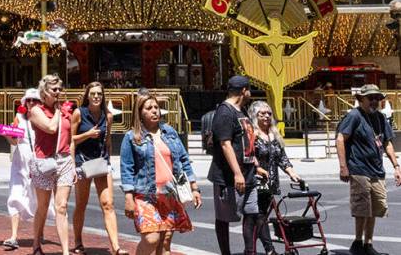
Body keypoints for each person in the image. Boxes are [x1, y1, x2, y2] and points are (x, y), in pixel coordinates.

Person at [121, 91, 200, 255]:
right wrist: (128, 197)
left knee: (164, 244)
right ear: (140, 112)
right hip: (146, 196)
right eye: (149, 108)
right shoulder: (132, 137)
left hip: (169, 195)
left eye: (156, 107)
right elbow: (126, 168)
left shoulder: (169, 132)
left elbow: (184, 160)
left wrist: (194, 187)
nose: (154, 110)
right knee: (151, 239)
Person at [335, 84, 401, 255]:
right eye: (370, 98)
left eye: (377, 98)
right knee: (362, 209)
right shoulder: (354, 116)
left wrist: (396, 166)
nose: (374, 101)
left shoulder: (380, 118)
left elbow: (387, 143)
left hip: (377, 171)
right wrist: (343, 166)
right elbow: (340, 138)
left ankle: (368, 244)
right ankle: (357, 243)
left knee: (375, 208)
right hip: (359, 169)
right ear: (360, 99)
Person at [71, 82, 125, 255]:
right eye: (93, 94)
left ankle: (116, 247)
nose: (96, 97)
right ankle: (78, 242)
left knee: (108, 204)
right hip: (82, 163)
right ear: (87, 95)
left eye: (99, 94)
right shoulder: (79, 113)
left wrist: (110, 161)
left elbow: (107, 141)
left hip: (101, 162)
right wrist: (87, 135)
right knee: (81, 204)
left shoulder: (107, 116)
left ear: (103, 97)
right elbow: (70, 140)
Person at [208, 75, 258, 255]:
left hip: (249, 173)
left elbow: (245, 140)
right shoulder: (224, 112)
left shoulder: (241, 110)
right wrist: (237, 173)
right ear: (244, 91)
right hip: (228, 177)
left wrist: (255, 162)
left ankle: (249, 251)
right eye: (249, 89)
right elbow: (225, 143)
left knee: (252, 213)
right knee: (224, 218)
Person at [1, 88, 52, 251]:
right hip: (20, 164)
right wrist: (6, 133)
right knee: (15, 195)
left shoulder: (44, 118)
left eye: (34, 100)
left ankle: (39, 233)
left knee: (39, 199)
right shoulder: (19, 118)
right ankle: (14, 236)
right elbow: (14, 142)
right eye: (28, 100)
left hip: (38, 162)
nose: (31, 103)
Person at [28, 74, 74, 255]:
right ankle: (36, 243)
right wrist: (57, 110)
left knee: (61, 206)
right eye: (54, 89)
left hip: (63, 160)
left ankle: (65, 251)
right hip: (44, 161)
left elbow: (70, 137)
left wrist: (73, 160)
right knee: (43, 206)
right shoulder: (35, 111)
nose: (58, 92)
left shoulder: (66, 111)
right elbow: (51, 128)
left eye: (59, 89)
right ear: (44, 92)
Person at [250, 100, 300, 255]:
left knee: (262, 215)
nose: (266, 116)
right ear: (255, 115)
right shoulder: (252, 134)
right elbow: (247, 157)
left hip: (270, 183)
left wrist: (292, 173)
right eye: (262, 113)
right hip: (255, 182)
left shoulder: (274, 134)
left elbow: (282, 158)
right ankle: (269, 250)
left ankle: (255, 247)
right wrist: (257, 169)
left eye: (269, 113)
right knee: (259, 215)